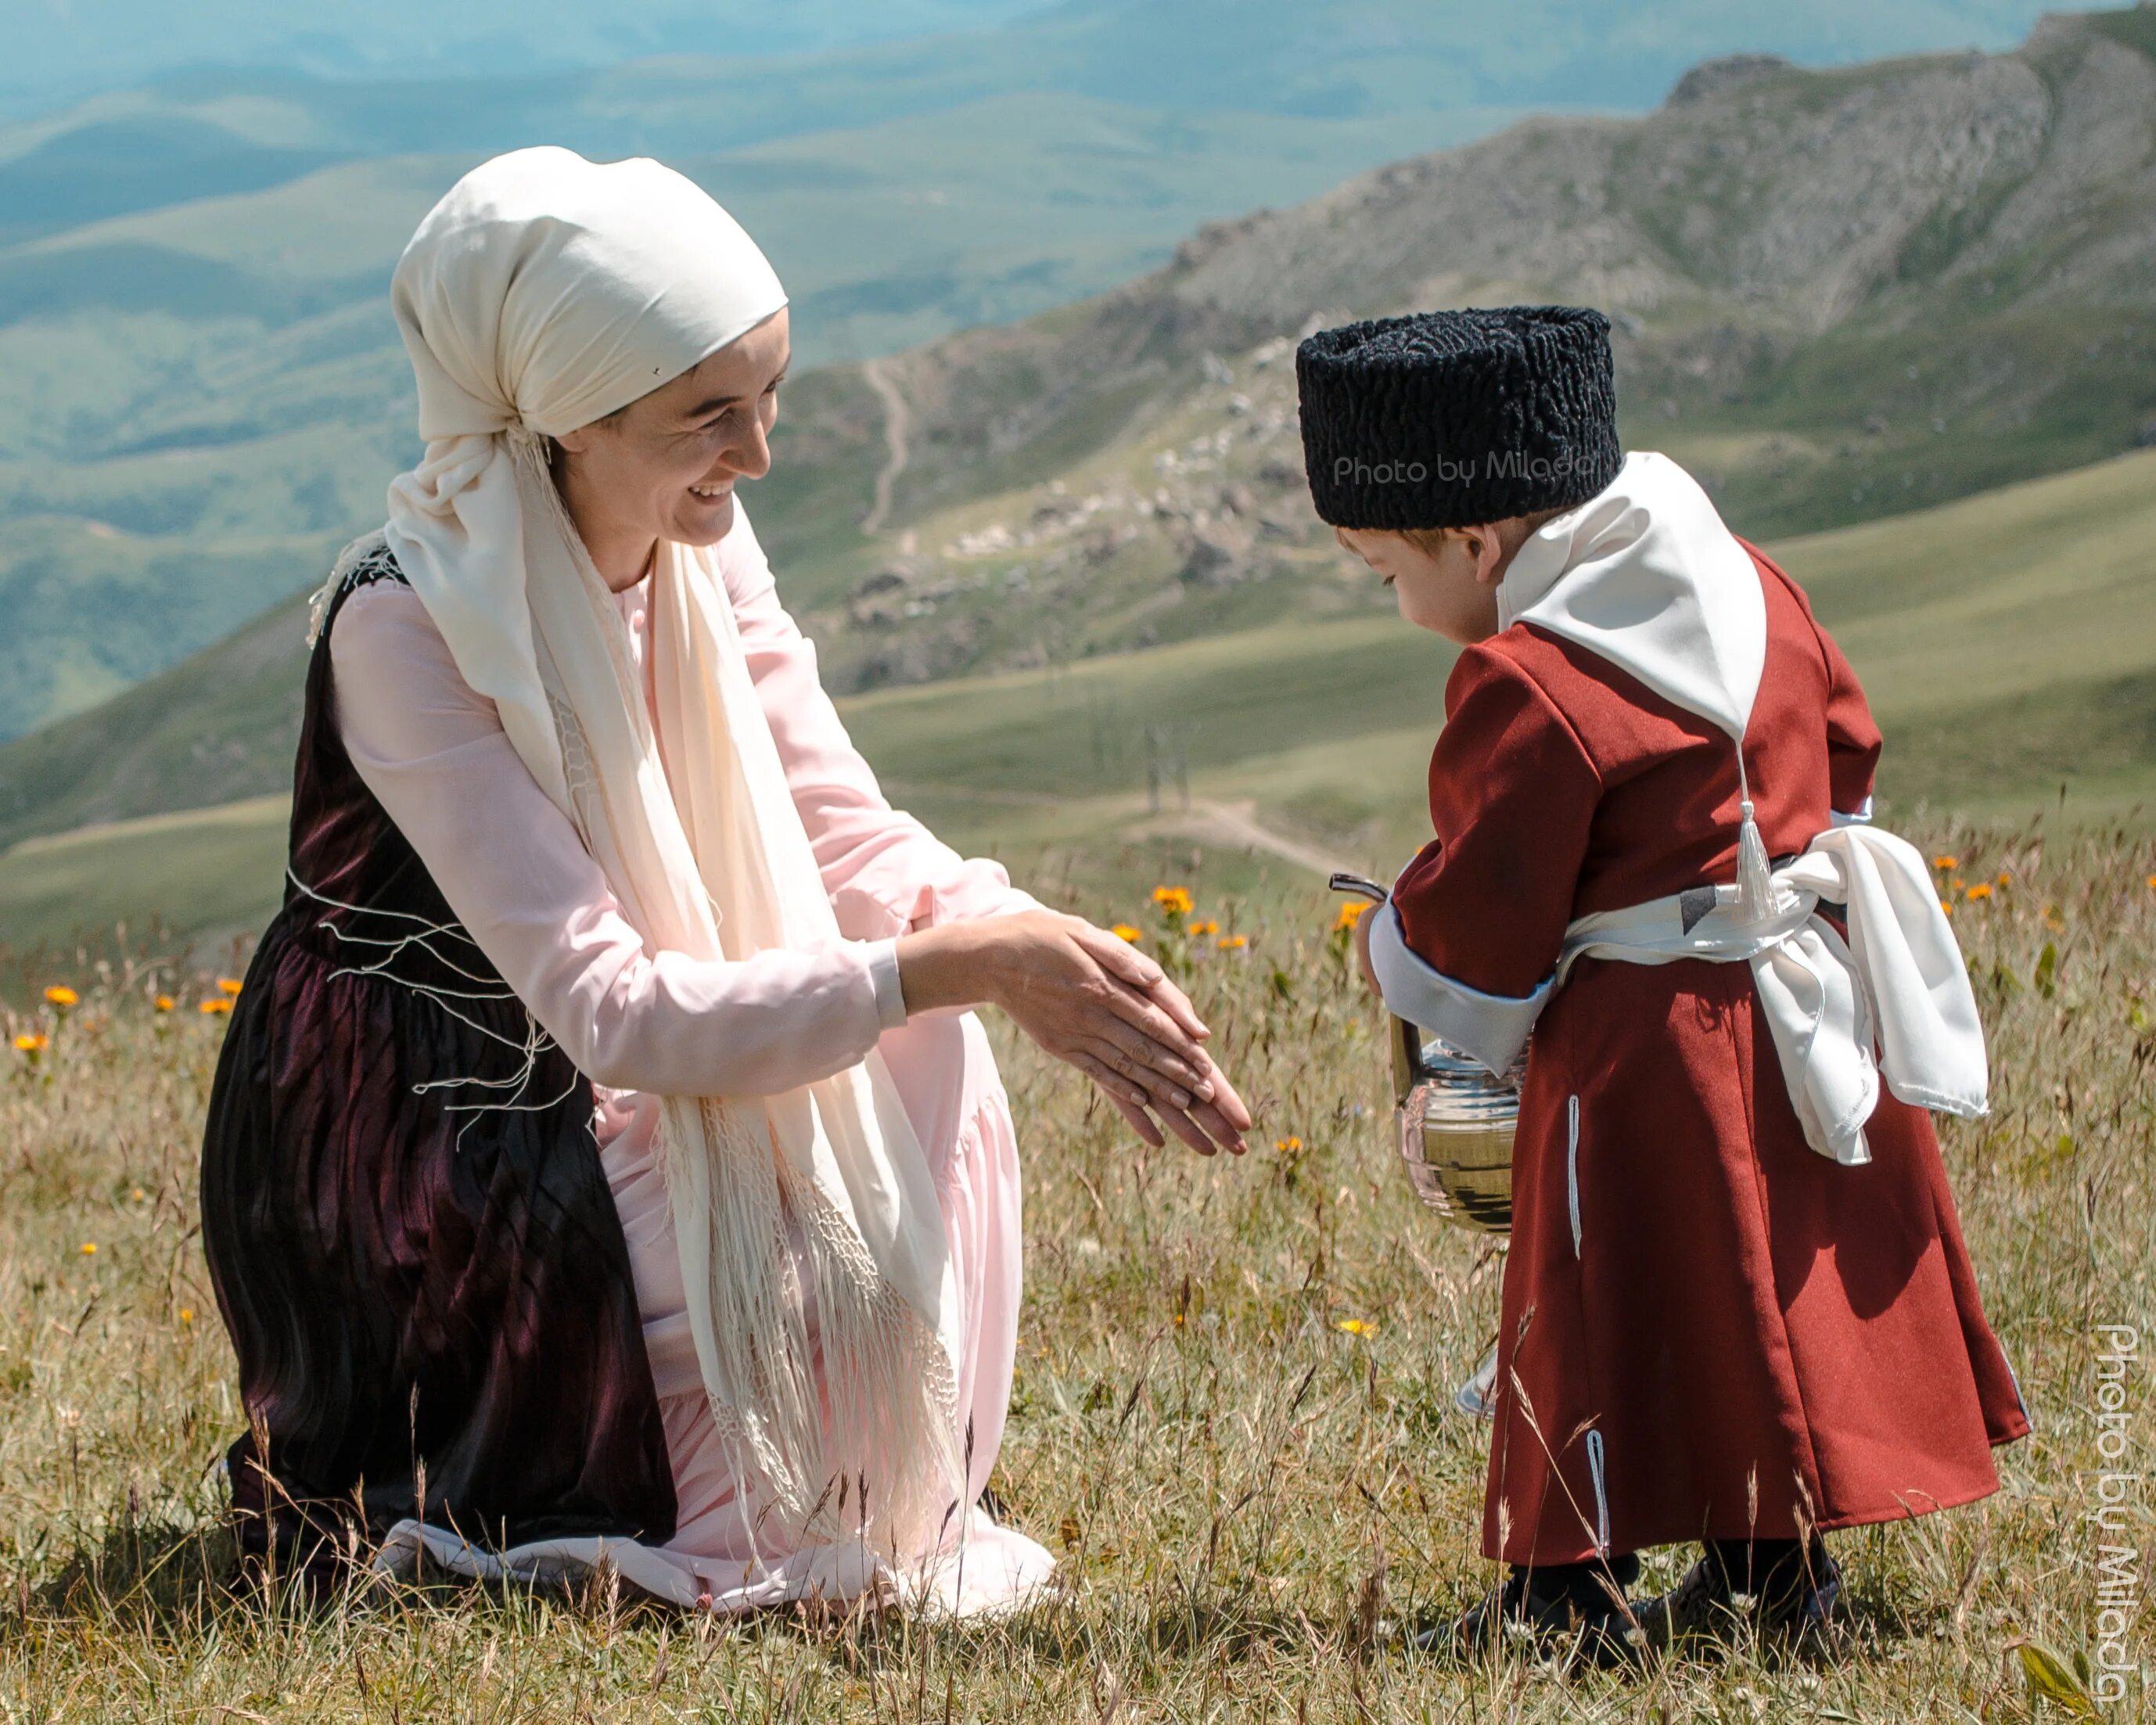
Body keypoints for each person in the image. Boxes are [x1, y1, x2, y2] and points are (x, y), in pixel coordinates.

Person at [199, 146, 1249, 1615]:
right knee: (692, 1189)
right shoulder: (406, 627)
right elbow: (609, 1008)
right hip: (448, 1092)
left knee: (932, 1054)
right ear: (574, 418)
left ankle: (869, 1470)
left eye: (772, 395)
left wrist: (1004, 931)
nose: (757, 452)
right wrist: (948, 966)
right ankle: (714, 1487)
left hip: (595, 1022)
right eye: (711, 416)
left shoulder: (702, 537)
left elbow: (838, 824)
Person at [1295, 306, 2028, 1661]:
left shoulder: (1533, 678)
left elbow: (1488, 908)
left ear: (1474, 541)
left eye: (1379, 569)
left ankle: (1561, 1594)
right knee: (1764, 1285)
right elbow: (1850, 749)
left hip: (1645, 1050)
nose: (1388, 600)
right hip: (1802, 1004)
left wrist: (1394, 935)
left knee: (1606, 1291)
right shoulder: (1751, 582)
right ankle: (1776, 1567)